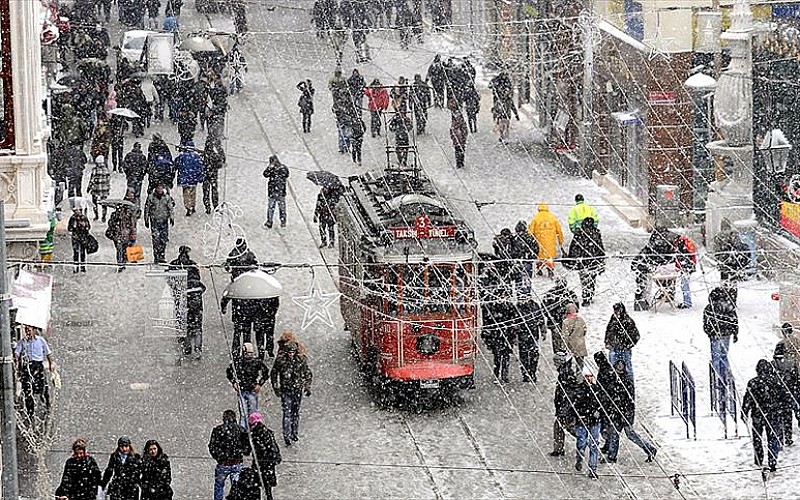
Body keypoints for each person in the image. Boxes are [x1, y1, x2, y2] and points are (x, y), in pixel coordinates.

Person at [602, 359, 658, 463]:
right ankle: (612, 456)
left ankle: (650, 448)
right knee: (615, 434)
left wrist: (626, 414)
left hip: (624, 413)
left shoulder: (626, 382)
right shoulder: (612, 380)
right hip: (617, 412)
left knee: (630, 434)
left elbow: (629, 400)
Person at [742, 360, 788, 471]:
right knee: (772, 438)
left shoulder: (753, 383)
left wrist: (744, 411)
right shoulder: (777, 382)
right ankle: (772, 461)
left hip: (758, 414)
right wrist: (783, 411)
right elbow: (784, 398)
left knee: (757, 437)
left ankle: (758, 459)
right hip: (773, 414)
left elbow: (748, 398)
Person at [271, 341, 313, 446]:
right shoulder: (281, 361)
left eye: (293, 352)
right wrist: (276, 387)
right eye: (289, 352)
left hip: (297, 390)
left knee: (295, 413)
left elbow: (308, 373)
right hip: (286, 390)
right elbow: (274, 373)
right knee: (287, 413)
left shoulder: (300, 360)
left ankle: (294, 433)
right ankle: (287, 435)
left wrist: (307, 387)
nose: (291, 354)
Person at [208, 409, 251, 500]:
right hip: (237, 462)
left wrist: (220, 457)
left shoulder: (218, 430)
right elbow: (247, 447)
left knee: (219, 486)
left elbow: (212, 446)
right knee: (237, 487)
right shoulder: (241, 430)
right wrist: (241, 452)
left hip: (223, 464)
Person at [630, 227, 676, 311]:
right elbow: (668, 258)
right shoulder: (662, 244)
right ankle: (667, 294)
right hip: (645, 267)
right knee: (644, 285)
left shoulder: (655, 243)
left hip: (646, 267)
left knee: (643, 285)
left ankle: (665, 294)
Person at [14, 324, 55, 416]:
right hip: (27, 366)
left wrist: (51, 363)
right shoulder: (22, 342)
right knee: (27, 388)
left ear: (34, 330)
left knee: (42, 386)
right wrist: (16, 361)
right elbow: (17, 353)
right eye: (26, 330)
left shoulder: (40, 340)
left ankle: (46, 405)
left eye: (29, 330)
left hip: (38, 365)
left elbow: (48, 353)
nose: (28, 332)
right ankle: (30, 410)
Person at [227, 342, 270, 428]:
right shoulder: (238, 362)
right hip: (241, 390)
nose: (249, 356)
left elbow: (266, 373)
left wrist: (259, 384)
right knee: (243, 414)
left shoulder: (257, 362)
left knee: (253, 414)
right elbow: (229, 372)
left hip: (252, 390)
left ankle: (253, 430)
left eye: (251, 353)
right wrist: (234, 382)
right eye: (247, 354)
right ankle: (243, 432)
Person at [564, 218, 605, 306]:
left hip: (582, 261)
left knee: (584, 280)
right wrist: (601, 259)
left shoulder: (579, 234)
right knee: (592, 279)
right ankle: (589, 295)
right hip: (593, 262)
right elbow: (600, 247)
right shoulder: (596, 233)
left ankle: (586, 297)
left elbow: (573, 247)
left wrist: (571, 258)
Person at [572, 365, 602, 479]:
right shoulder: (579, 390)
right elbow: (576, 406)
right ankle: (579, 459)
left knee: (594, 445)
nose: (589, 379)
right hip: (583, 421)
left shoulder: (597, 390)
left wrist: (598, 412)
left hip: (593, 421)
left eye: (591, 376)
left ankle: (593, 470)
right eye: (587, 376)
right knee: (581, 443)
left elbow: (602, 404)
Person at [704, 286, 739, 382]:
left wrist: (710, 333)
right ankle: (727, 375)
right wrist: (735, 333)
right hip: (726, 335)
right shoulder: (729, 306)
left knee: (716, 357)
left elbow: (706, 323)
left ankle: (717, 376)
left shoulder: (709, 308)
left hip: (715, 336)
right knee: (723, 355)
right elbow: (734, 321)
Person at [247, 412, 282, 500]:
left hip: (260, 463)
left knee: (257, 486)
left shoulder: (254, 435)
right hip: (269, 464)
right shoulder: (268, 432)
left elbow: (248, 450)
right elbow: (274, 448)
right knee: (268, 488)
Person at [772, 343, 800, 446]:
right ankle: (788, 437)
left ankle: (780, 437)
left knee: (779, 417)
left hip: (778, 395)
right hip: (790, 393)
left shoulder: (773, 364)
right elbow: (797, 379)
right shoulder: (791, 363)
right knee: (788, 416)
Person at [604, 302, 639, 383]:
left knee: (627, 369)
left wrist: (628, 345)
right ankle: (613, 385)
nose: (615, 312)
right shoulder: (613, 319)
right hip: (614, 348)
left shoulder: (628, 321)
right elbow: (608, 330)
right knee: (612, 369)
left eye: (617, 310)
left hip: (625, 349)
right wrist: (607, 341)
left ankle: (629, 385)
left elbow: (636, 335)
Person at [542, 278, 578, 355]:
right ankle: (558, 357)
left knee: (567, 341)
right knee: (556, 340)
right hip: (554, 321)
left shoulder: (570, 294)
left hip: (568, 323)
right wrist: (553, 314)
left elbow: (576, 308)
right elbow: (544, 308)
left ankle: (566, 358)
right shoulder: (550, 294)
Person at [528, 203, 564, 279]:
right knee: (549, 256)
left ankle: (539, 268)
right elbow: (559, 231)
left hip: (539, 241)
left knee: (540, 256)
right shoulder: (552, 217)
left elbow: (530, 232)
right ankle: (550, 269)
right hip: (550, 242)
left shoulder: (536, 218)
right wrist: (561, 241)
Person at [106, 189, 139, 272]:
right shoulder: (115, 214)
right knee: (120, 250)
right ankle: (121, 265)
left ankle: (125, 262)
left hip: (127, 234)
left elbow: (133, 223)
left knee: (126, 249)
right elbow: (111, 223)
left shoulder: (131, 212)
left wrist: (133, 233)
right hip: (118, 235)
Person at [549, 360, 577, 456]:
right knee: (560, 427)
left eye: (555, 362)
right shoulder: (563, 373)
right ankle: (559, 449)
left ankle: (588, 440)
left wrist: (564, 408)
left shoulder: (565, 375)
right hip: (564, 408)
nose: (554, 364)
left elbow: (570, 393)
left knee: (566, 428)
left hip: (565, 409)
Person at [144, 182, 175, 264]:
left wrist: (172, 217)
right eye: (158, 188)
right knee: (156, 239)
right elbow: (147, 209)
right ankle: (156, 256)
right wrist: (146, 219)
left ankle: (162, 255)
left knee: (163, 239)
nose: (159, 190)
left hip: (164, 220)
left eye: (161, 188)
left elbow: (170, 208)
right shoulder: (151, 198)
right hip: (154, 220)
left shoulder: (167, 198)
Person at [516, 299, 545, 383]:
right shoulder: (518, 307)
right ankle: (525, 373)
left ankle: (532, 372)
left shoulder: (535, 305)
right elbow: (514, 321)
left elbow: (541, 318)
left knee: (534, 354)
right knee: (523, 354)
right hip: (523, 334)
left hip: (533, 334)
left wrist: (543, 330)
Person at [713, 218, 750, 283]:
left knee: (728, 280)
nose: (726, 231)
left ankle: (729, 290)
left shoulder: (730, 235)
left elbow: (716, 250)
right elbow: (717, 250)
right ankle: (729, 290)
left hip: (729, 262)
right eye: (725, 228)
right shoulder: (721, 236)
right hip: (729, 262)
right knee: (729, 280)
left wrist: (719, 258)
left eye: (727, 228)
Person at [174, 139, 205, 216]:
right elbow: (200, 168)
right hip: (193, 179)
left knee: (186, 194)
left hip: (184, 179)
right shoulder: (197, 157)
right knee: (193, 193)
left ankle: (188, 207)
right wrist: (200, 178)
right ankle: (193, 206)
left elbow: (175, 164)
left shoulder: (182, 157)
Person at [510, 220, 539, 294]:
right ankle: (527, 294)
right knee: (527, 279)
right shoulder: (530, 237)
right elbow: (536, 248)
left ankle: (519, 295)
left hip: (518, 262)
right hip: (528, 262)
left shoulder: (515, 238)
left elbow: (511, 251)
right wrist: (532, 258)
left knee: (518, 280)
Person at [262, 155, 289, 229]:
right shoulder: (271, 169)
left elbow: (286, 174)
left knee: (282, 208)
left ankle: (283, 222)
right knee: (270, 208)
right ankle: (269, 222)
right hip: (272, 192)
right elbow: (265, 174)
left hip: (280, 192)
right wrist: (270, 168)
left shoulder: (283, 168)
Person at [562, 302, 587, 372]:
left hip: (570, 346)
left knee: (567, 365)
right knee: (580, 365)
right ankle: (579, 379)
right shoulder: (581, 320)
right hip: (580, 345)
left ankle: (569, 378)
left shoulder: (566, 322)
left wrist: (564, 347)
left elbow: (565, 336)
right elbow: (585, 331)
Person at [203, 136, 225, 214]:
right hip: (213, 175)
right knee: (214, 191)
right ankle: (215, 206)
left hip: (206, 175)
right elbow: (220, 164)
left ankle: (207, 207)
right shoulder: (215, 155)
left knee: (206, 192)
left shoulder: (203, 155)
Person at [675, 233, 697, 309]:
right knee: (684, 284)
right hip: (689, 266)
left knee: (684, 285)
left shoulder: (681, 243)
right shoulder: (685, 241)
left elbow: (680, 257)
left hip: (686, 267)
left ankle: (687, 303)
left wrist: (679, 267)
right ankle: (687, 301)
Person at [68, 206, 91, 273]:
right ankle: (76, 267)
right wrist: (73, 226)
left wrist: (85, 226)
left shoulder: (84, 217)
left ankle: (83, 267)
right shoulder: (72, 218)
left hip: (83, 237)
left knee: (82, 253)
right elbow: (69, 228)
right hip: (75, 238)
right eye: (75, 210)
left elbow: (88, 227)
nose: (77, 211)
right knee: (76, 253)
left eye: (78, 210)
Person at [88, 155, 111, 221]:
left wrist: (89, 187)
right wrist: (108, 187)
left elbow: (92, 179)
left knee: (94, 203)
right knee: (104, 203)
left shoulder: (95, 170)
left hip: (96, 189)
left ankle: (96, 215)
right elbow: (108, 179)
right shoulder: (106, 170)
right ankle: (104, 216)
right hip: (104, 189)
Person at [449, 102, 468, 169]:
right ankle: (459, 163)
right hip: (458, 141)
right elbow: (451, 132)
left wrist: (463, 137)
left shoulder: (459, 124)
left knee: (460, 151)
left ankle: (460, 162)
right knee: (459, 151)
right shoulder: (455, 124)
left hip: (460, 140)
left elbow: (465, 130)